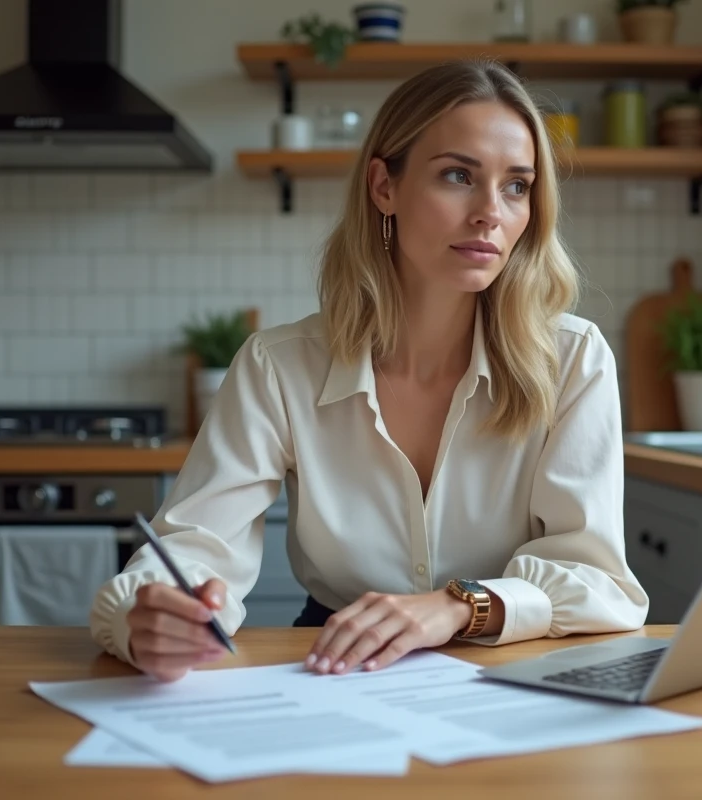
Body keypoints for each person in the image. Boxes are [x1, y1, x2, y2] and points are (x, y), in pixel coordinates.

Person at [89, 59, 649, 683]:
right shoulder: (279, 367)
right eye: (459, 175)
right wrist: (150, 618)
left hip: (513, 672)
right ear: (384, 186)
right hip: (335, 667)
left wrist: (457, 607)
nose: (491, 212)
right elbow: (196, 548)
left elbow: (603, 584)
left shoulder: (573, 359)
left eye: (517, 186)